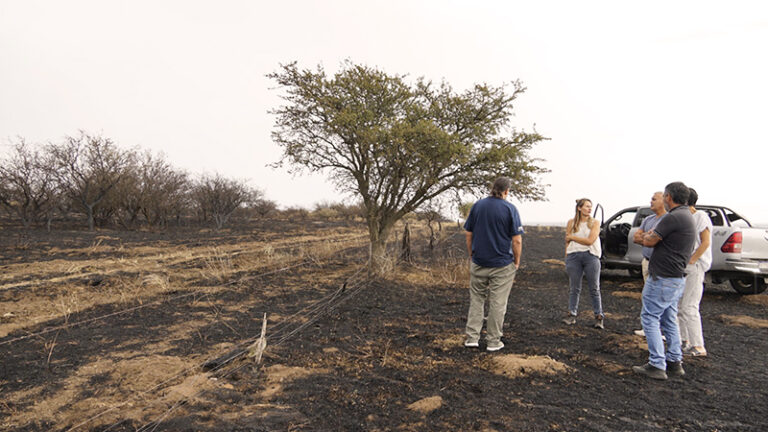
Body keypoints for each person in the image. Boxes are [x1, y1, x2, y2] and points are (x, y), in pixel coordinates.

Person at [633, 182, 696, 380]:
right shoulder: (687, 216)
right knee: (669, 319)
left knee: (650, 317)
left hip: (663, 277)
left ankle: (657, 364)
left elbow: (649, 240)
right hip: (676, 277)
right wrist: (648, 236)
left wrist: (645, 236)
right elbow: (650, 237)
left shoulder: (673, 217)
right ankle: (675, 362)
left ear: (668, 197)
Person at [463, 177, 523, 352]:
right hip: (502, 264)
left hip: (479, 261)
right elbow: (517, 240)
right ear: (506, 191)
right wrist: (517, 262)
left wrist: (471, 254)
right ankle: (493, 341)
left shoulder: (478, 206)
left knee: (476, 300)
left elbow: (468, 233)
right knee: (498, 303)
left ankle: (472, 338)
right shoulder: (510, 209)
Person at [678, 188, 712, 357]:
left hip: (695, 266)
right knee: (680, 305)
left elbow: (705, 242)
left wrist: (692, 260)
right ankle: (685, 340)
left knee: (690, 306)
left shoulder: (700, 217)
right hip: (685, 267)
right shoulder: (687, 217)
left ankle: (698, 346)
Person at [562, 198, 604, 329]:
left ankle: (599, 317)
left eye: (590, 207)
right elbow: (567, 241)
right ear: (579, 208)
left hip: (591, 256)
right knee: (574, 288)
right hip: (573, 256)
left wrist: (572, 237)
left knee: (594, 288)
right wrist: (567, 255)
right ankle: (571, 314)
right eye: (586, 206)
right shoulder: (571, 222)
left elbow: (590, 241)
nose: (589, 209)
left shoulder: (595, 223)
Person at [632, 192, 667, 336]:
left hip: (660, 265)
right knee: (648, 296)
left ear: (664, 200)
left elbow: (656, 241)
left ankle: (663, 330)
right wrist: (648, 238)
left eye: (654, 199)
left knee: (661, 298)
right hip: (646, 262)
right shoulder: (648, 219)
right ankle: (649, 328)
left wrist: (648, 238)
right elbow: (636, 237)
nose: (650, 201)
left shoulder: (667, 220)